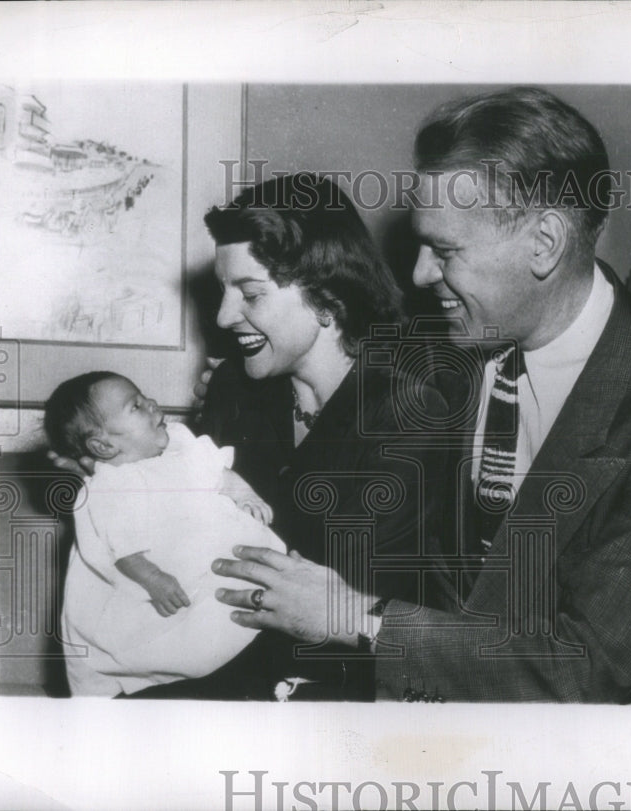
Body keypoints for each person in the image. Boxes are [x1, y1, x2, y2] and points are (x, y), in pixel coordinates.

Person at [211, 87, 631, 703]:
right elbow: (323, 384)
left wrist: (353, 616)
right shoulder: (444, 344)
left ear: (544, 243)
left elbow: (587, 669)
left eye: (445, 251)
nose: (420, 274)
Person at [117, 173, 454, 700]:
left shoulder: (405, 415)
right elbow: (182, 530)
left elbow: (356, 604)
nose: (225, 316)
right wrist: (121, 474)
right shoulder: (233, 385)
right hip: (211, 666)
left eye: (250, 293)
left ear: (328, 298)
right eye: (224, 291)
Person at [48, 372, 284, 696]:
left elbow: (219, 474)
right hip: (159, 582)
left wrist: (247, 497)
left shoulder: (179, 449)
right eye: (136, 406)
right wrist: (153, 577)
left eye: (144, 396)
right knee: (170, 635)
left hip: (208, 561)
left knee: (231, 602)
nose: (151, 404)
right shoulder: (112, 485)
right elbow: (123, 550)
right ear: (103, 445)